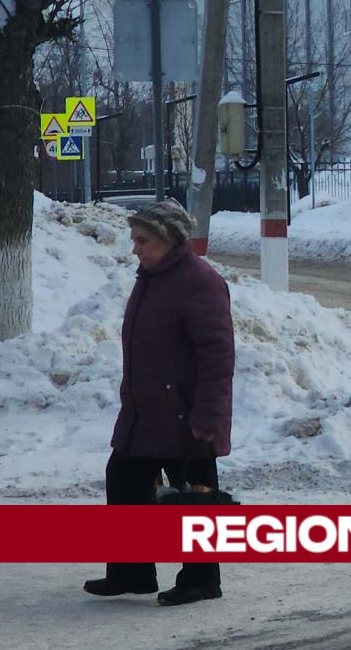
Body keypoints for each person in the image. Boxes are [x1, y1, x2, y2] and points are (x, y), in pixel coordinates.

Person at [82, 199, 234, 607]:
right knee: (125, 480)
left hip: (186, 415)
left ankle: (202, 580)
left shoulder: (198, 281)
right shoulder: (152, 275)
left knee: (195, 498)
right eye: (134, 239)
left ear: (168, 240)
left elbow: (218, 355)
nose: (135, 248)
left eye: (143, 240)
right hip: (146, 411)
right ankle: (131, 572)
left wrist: (207, 418)